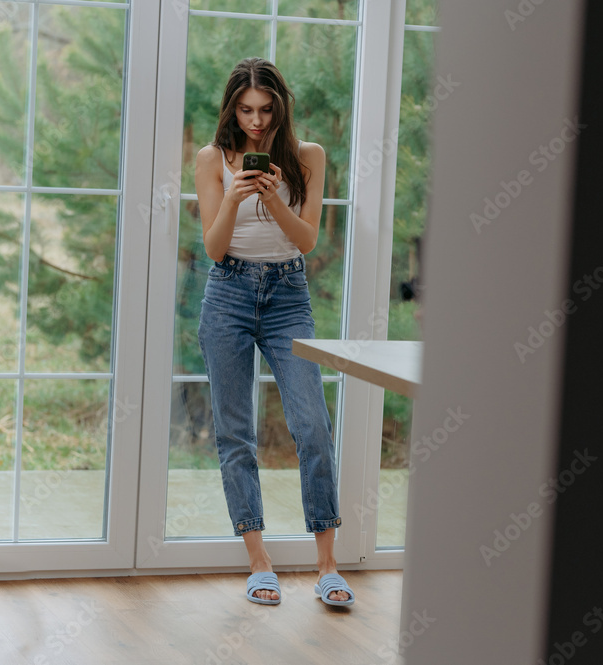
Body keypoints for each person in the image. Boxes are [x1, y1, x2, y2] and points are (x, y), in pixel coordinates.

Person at [194, 57, 354, 607]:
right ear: (232, 109)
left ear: (280, 108)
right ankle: (258, 562)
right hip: (229, 295)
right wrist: (236, 196)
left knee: (312, 425)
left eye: (265, 110)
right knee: (235, 433)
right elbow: (214, 249)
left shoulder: (309, 157)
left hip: (288, 295)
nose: (255, 122)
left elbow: (306, 240)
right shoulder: (211, 159)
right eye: (245, 111)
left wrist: (268, 198)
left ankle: (327, 566)